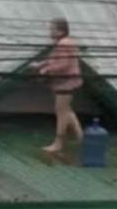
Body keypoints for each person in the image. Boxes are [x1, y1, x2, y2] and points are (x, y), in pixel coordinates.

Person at [33, 17, 84, 153]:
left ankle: (58, 143)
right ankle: (80, 138)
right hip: (67, 81)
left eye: (52, 29)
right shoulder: (65, 42)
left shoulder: (63, 44)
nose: (49, 32)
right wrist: (41, 64)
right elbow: (54, 59)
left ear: (61, 31)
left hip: (65, 82)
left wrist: (45, 71)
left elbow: (63, 64)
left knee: (61, 112)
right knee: (67, 110)